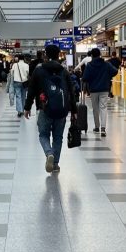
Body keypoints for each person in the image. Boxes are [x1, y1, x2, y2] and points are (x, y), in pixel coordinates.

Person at [24, 44, 77, 173]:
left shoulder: (39, 70)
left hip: (44, 108)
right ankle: (55, 164)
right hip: (61, 110)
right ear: (59, 55)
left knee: (43, 135)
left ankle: (49, 154)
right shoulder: (64, 71)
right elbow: (71, 91)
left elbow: (31, 90)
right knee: (58, 137)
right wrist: (74, 110)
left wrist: (27, 107)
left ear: (46, 55)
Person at [81, 48, 118, 138]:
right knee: (103, 108)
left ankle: (97, 127)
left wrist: (90, 80)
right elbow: (115, 71)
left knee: (95, 108)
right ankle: (103, 128)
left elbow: (85, 77)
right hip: (104, 89)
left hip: (93, 90)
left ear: (92, 56)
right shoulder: (106, 64)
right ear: (100, 54)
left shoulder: (89, 65)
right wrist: (107, 76)